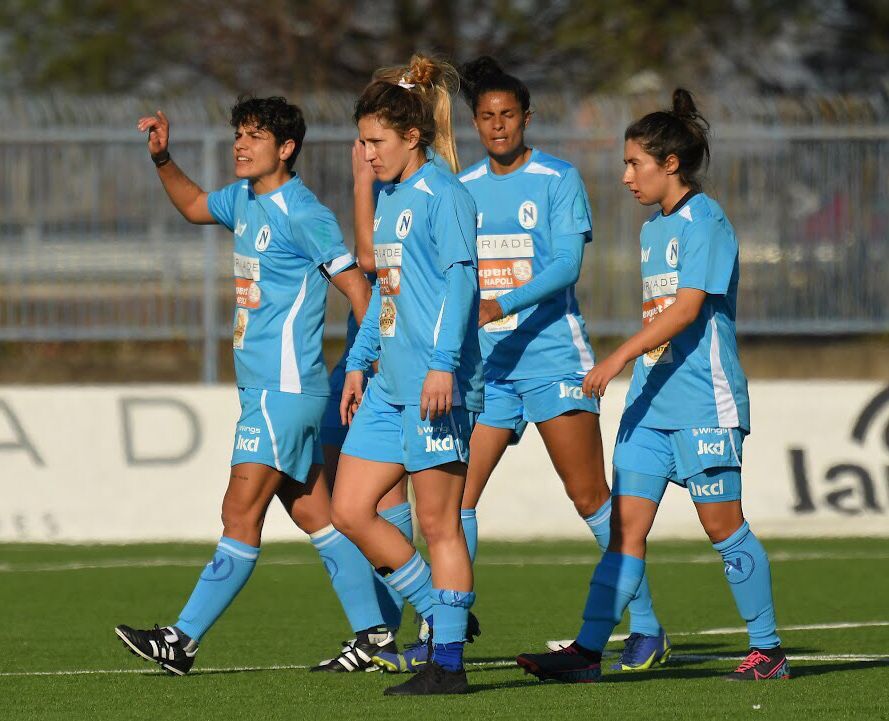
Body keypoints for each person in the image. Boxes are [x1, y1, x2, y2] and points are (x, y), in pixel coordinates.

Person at [115, 96, 398, 675]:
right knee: (317, 515)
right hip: (268, 392)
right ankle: (376, 636)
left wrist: (366, 363)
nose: (241, 145)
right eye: (239, 134)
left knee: (239, 511)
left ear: (286, 148)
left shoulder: (304, 213)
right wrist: (163, 158)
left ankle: (181, 640)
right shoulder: (244, 198)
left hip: (284, 390)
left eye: (255, 136)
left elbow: (361, 293)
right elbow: (194, 205)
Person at [516, 89, 790, 683]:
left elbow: (687, 309)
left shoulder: (707, 221)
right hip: (649, 407)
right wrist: (632, 366)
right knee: (624, 529)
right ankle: (587, 653)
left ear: (670, 164)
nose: (624, 177)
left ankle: (767, 652)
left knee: (722, 527)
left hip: (703, 405)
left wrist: (617, 356)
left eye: (634, 163)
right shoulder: (651, 230)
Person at [452, 56, 669, 672]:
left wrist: (499, 301)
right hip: (490, 370)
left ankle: (647, 627)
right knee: (457, 499)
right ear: (475, 122)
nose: (499, 126)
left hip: (553, 362)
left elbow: (565, 268)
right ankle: (447, 621)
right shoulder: (462, 188)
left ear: (526, 118)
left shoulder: (557, 177)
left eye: (509, 115)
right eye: (487, 117)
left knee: (590, 497)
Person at [330, 54, 485, 696]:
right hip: (388, 388)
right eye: (363, 142)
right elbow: (388, 294)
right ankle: (445, 613)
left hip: (433, 386)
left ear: (411, 138)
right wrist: (360, 363)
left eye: (375, 143)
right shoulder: (391, 197)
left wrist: (443, 366)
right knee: (348, 510)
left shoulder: (443, 194)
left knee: (440, 524)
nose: (366, 155)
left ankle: (447, 664)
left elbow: (463, 281)